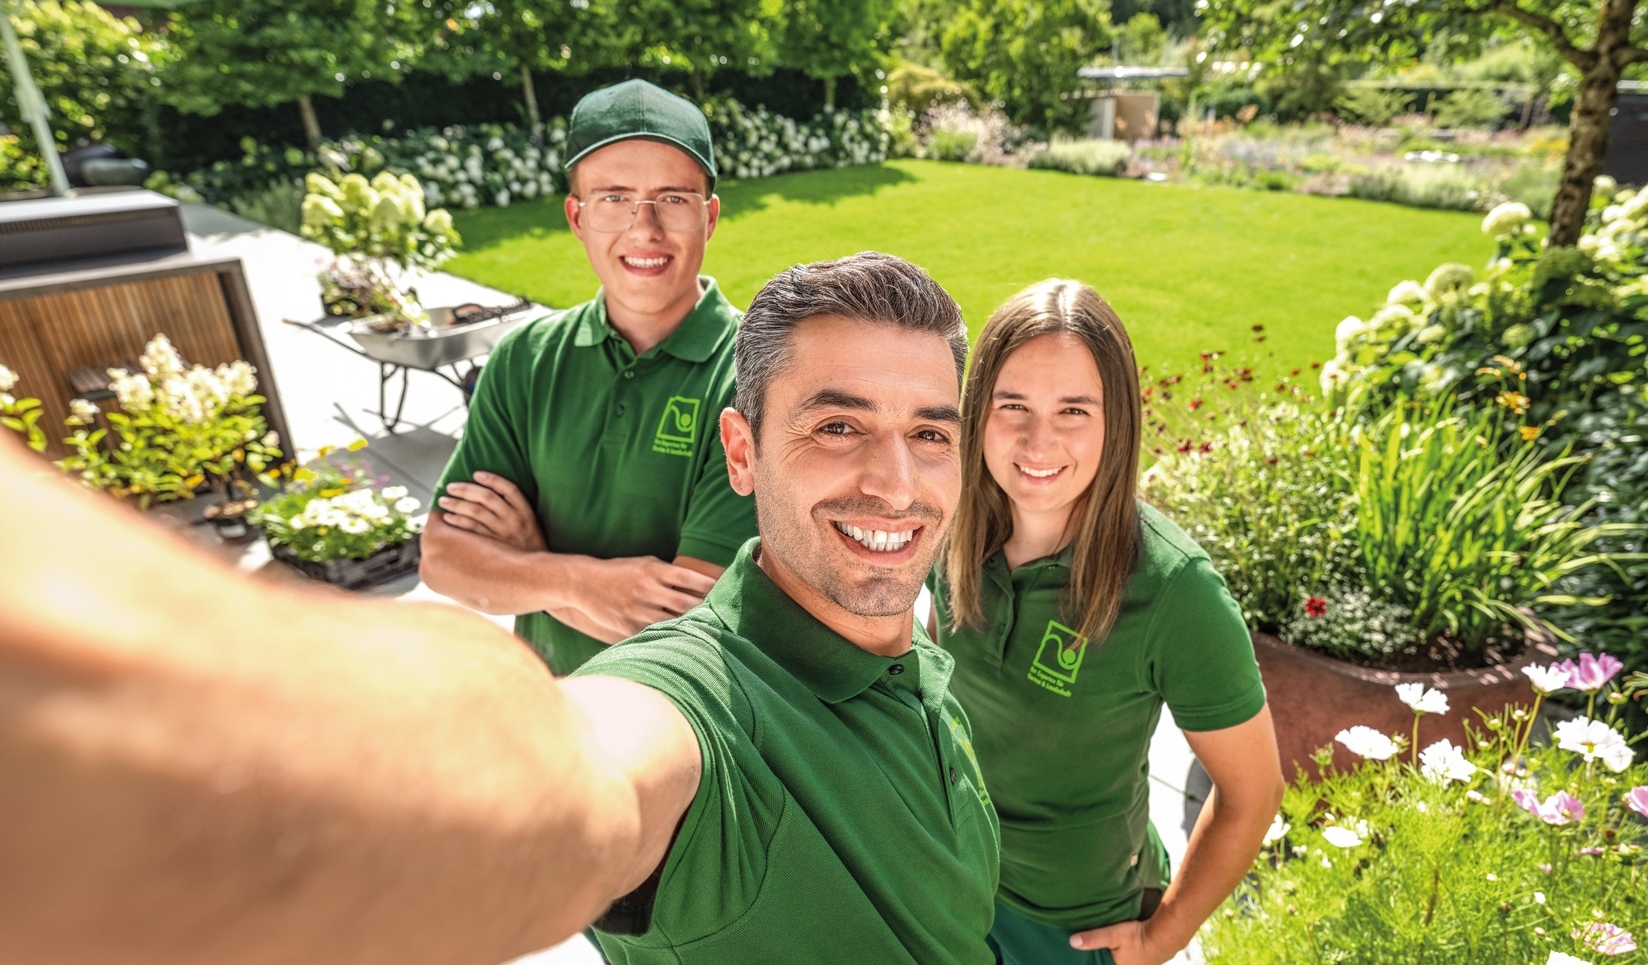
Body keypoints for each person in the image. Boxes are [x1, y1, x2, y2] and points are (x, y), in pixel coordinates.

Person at [0, 252, 996, 965]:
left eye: (930, 433)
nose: (896, 484)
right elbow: (576, 772)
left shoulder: (909, 643)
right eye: (837, 427)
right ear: (741, 451)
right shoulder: (702, 708)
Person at [931, 279, 1285, 965]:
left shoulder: (1175, 590)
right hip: (955, 880)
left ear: (1115, 421)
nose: (1038, 440)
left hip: (1074, 926)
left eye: (1073, 410)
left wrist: (1163, 935)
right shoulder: (949, 519)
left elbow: (1254, 792)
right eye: (1013, 405)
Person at [422, 79, 756, 677]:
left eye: (673, 199)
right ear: (577, 217)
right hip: (549, 701)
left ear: (708, 217)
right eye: (614, 198)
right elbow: (443, 558)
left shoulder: (754, 376)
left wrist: (529, 559)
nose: (644, 229)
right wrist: (576, 581)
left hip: (679, 721)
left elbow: (697, 638)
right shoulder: (525, 359)